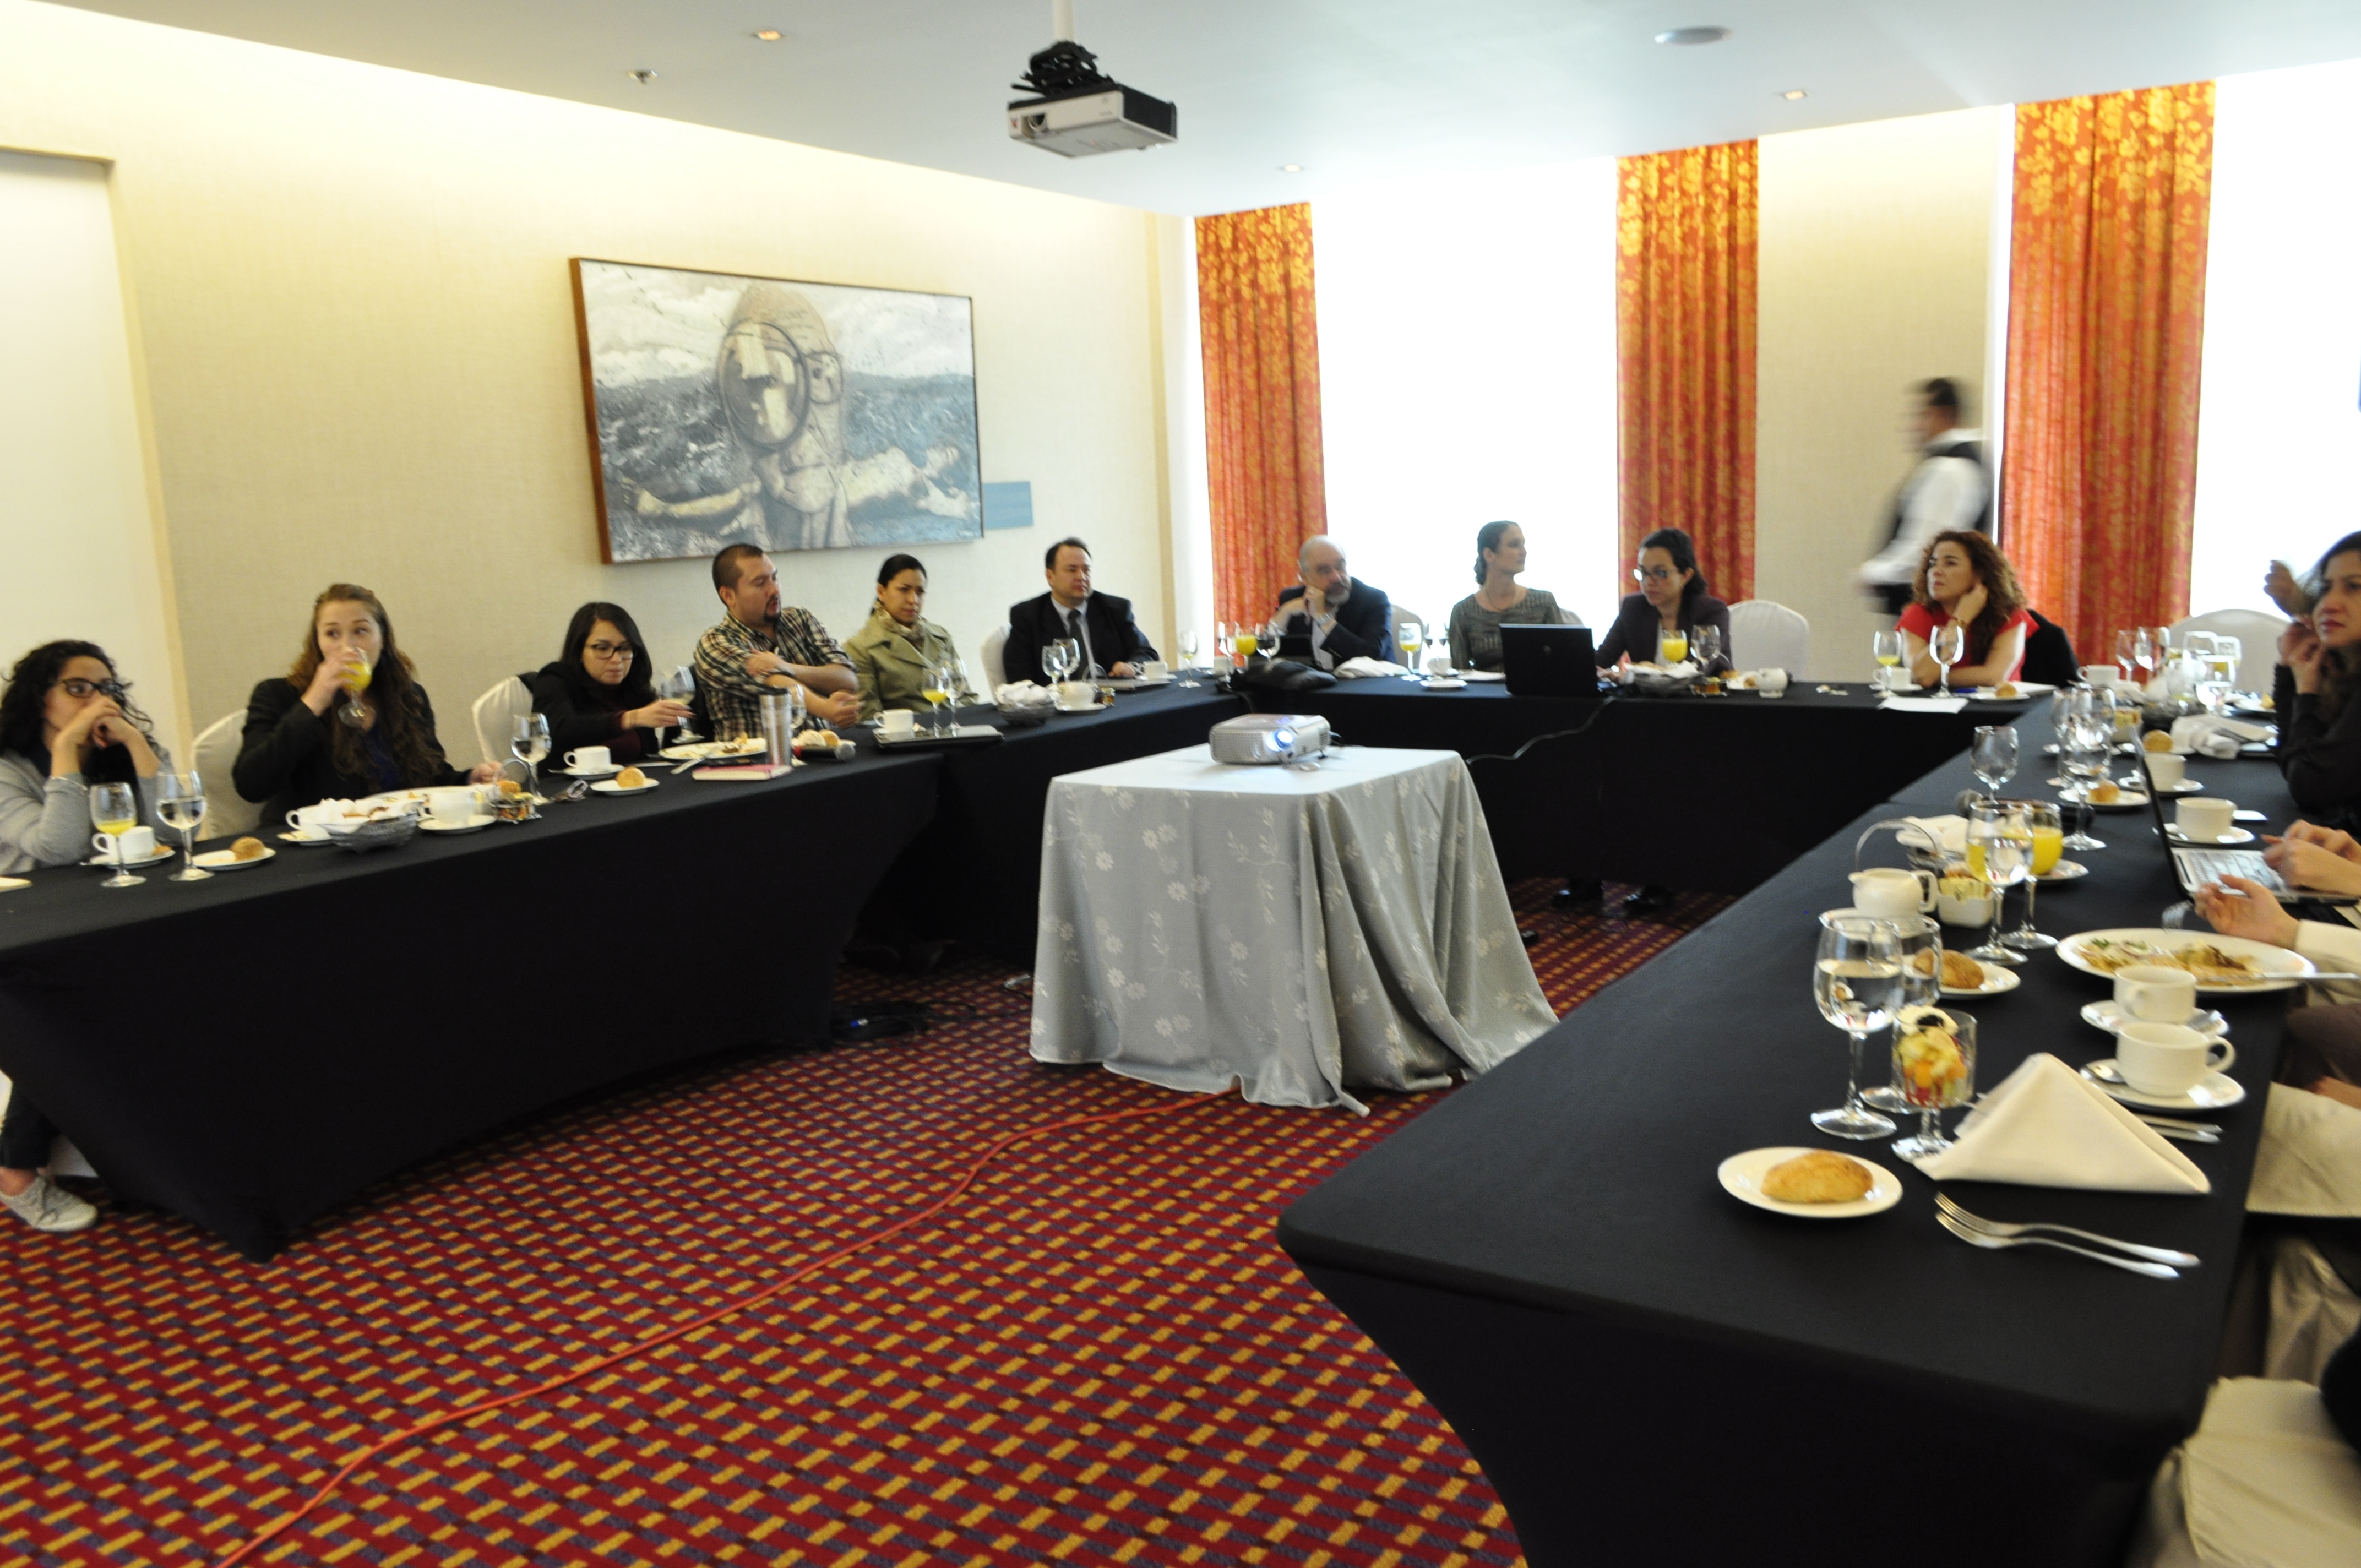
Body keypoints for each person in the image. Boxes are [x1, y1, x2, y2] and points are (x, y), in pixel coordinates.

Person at [0, 640, 179, 1234]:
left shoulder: (117, 746)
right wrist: (65, 753)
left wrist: (138, 747)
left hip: (108, 909)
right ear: (40, 697)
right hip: (27, 924)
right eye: (78, 688)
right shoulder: (6, 766)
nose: (97, 699)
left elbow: (174, 826)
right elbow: (56, 848)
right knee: (76, 1005)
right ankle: (15, 1168)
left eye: (107, 688)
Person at [233, 584, 499, 824]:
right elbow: (251, 786)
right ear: (317, 642)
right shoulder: (277, 695)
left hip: (396, 839)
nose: (347, 646)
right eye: (332, 634)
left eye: (360, 631)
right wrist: (314, 702)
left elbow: (428, 778)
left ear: (382, 639)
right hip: (312, 845)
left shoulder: (409, 697)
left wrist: (467, 781)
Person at [693, 543, 861, 736]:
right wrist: (825, 709)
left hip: (822, 748)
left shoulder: (800, 619)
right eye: (760, 583)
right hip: (757, 753)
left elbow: (848, 679)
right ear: (729, 596)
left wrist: (789, 668)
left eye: (774, 578)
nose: (775, 590)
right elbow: (775, 683)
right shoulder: (715, 642)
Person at [1856, 378, 1990, 616]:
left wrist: (1875, 573)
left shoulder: (1950, 468)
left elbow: (1928, 547)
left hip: (1931, 613)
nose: (1915, 427)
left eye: (1922, 415)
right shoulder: (1954, 464)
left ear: (1945, 415)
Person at [530, 603, 691, 766]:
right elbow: (558, 730)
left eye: (625, 648)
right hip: (569, 781)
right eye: (602, 648)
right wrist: (630, 719)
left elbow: (649, 759)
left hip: (633, 781)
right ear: (579, 651)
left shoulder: (633, 688)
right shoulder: (555, 678)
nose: (617, 659)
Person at [2274, 533, 2361, 826]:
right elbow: (2295, 766)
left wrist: (2306, 694)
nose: (2329, 604)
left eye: (2354, 587)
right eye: (2325, 588)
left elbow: (2311, 787)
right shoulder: (2346, 672)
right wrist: (2291, 672)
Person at [1003, 537, 1157, 685]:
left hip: (1112, 697)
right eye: (1072, 570)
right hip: (1058, 700)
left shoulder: (1115, 609)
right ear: (1050, 577)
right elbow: (1019, 677)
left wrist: (1131, 667)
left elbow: (1147, 653)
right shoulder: (1027, 616)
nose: (1081, 577)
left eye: (1086, 570)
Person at [846, 554, 976, 720]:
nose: (913, 600)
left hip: (957, 726)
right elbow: (869, 718)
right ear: (881, 592)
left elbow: (964, 695)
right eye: (904, 590)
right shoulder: (861, 648)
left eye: (920, 592)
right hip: (909, 732)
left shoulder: (941, 637)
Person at [1896, 531, 2032, 689]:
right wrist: (1960, 619)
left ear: (1979, 574)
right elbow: (1922, 676)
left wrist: (1935, 676)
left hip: (2000, 704)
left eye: (1950, 563)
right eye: (1933, 564)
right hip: (1937, 704)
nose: (1936, 571)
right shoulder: (1918, 613)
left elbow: (1993, 677)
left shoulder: (2010, 615)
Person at [1594, 527, 1733, 675]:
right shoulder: (1633, 608)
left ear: (1686, 575)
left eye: (1661, 573)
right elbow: (1601, 660)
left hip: (1701, 690)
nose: (1648, 582)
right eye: (1643, 572)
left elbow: (1704, 664)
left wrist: (1640, 674)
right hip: (1646, 692)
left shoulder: (1710, 611)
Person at [1446, 522, 1568, 672]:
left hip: (1536, 686)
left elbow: (1562, 660)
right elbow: (1460, 673)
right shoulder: (1464, 611)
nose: (1524, 552)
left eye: (1523, 544)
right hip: (1483, 688)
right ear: (1489, 555)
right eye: (1514, 545)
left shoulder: (1543, 602)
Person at [1273, 536, 1394, 671]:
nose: (1337, 577)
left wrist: (1322, 617)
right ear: (1304, 577)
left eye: (1340, 567)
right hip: (1311, 683)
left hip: (1366, 683)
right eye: (1324, 571)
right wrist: (1284, 613)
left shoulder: (1372, 599)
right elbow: (1265, 656)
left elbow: (1371, 655)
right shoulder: (1292, 598)